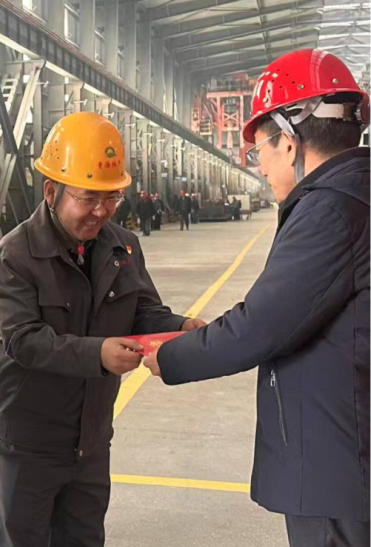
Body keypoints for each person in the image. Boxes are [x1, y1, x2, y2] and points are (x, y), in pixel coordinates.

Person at [144, 49, 369, 547]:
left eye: (260, 148)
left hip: (338, 466)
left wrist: (172, 356)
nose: (260, 164)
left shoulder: (331, 211)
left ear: (288, 142)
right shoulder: (356, 195)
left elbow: (262, 325)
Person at [0, 111, 205, 547]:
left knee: (84, 538)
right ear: (52, 192)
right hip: (31, 439)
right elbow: (23, 341)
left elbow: (143, 311)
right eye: (89, 198)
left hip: (91, 436)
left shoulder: (123, 246)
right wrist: (98, 354)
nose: (101, 211)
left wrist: (179, 327)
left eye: (112, 198)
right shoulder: (16, 255)